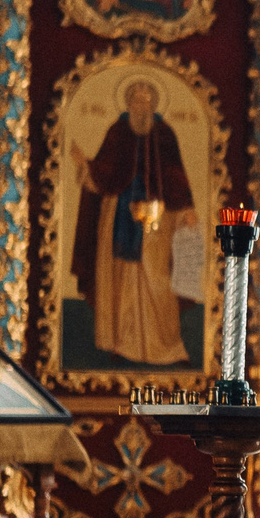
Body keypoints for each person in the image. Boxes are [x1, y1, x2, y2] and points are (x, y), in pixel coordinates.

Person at [75, 79, 196, 365]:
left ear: (153, 105)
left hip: (159, 219)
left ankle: (166, 345)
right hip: (119, 214)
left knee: (158, 277)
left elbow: (175, 176)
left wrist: (187, 207)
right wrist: (86, 167)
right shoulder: (118, 131)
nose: (140, 107)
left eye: (146, 102)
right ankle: (121, 343)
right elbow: (105, 173)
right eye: (135, 101)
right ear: (128, 104)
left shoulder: (164, 134)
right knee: (120, 278)